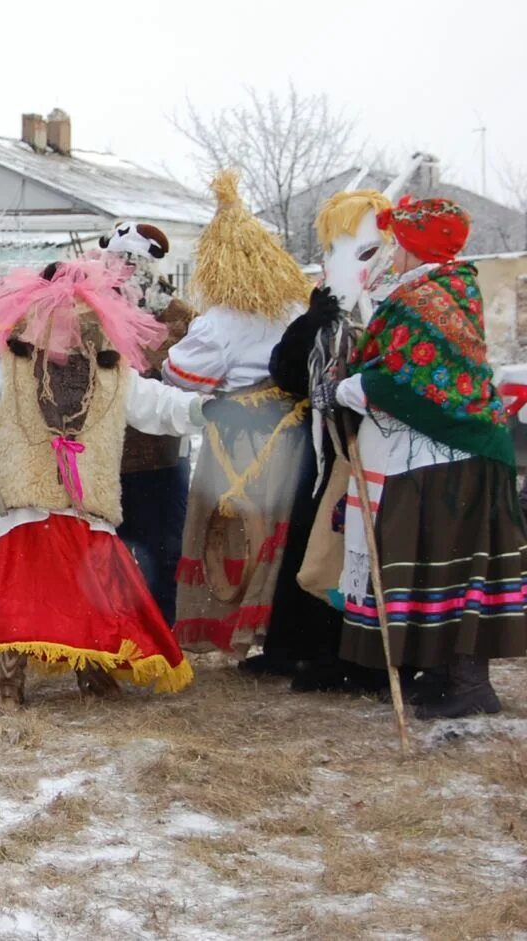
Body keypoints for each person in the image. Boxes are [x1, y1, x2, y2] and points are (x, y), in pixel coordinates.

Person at [0, 258, 206, 703]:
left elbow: (155, 405)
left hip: (86, 499)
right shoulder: (11, 363)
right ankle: (9, 681)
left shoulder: (109, 370)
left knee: (94, 594)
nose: (68, 324)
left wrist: (199, 409)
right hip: (24, 497)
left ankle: (94, 672)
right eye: (56, 313)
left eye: (78, 314)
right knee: (21, 597)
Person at [320, 198, 526, 719]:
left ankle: (469, 684)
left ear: (414, 245)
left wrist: (348, 387)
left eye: (397, 244)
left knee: (452, 567)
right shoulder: (447, 287)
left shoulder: (426, 300)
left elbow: (407, 381)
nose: (391, 253)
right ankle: (440, 673)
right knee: (440, 563)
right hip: (448, 454)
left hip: (453, 457)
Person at [165, 171, 313, 658]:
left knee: (229, 529)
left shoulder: (220, 322)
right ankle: (272, 628)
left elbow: (181, 376)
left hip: (237, 438)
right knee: (276, 530)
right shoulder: (295, 308)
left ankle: (230, 627)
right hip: (291, 436)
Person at [258, 188, 394, 693]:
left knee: (354, 547)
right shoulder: (324, 311)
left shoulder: (393, 309)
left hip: (376, 451)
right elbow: (286, 371)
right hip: (324, 449)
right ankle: (294, 647)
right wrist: (313, 324)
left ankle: (346, 655)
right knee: (312, 543)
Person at [96, 223, 198, 626]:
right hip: (106, 452)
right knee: (110, 550)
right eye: (115, 263)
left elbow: (193, 370)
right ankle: (116, 629)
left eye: (130, 264)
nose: (121, 273)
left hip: (163, 454)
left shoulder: (178, 315)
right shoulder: (93, 310)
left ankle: (163, 628)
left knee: (165, 548)